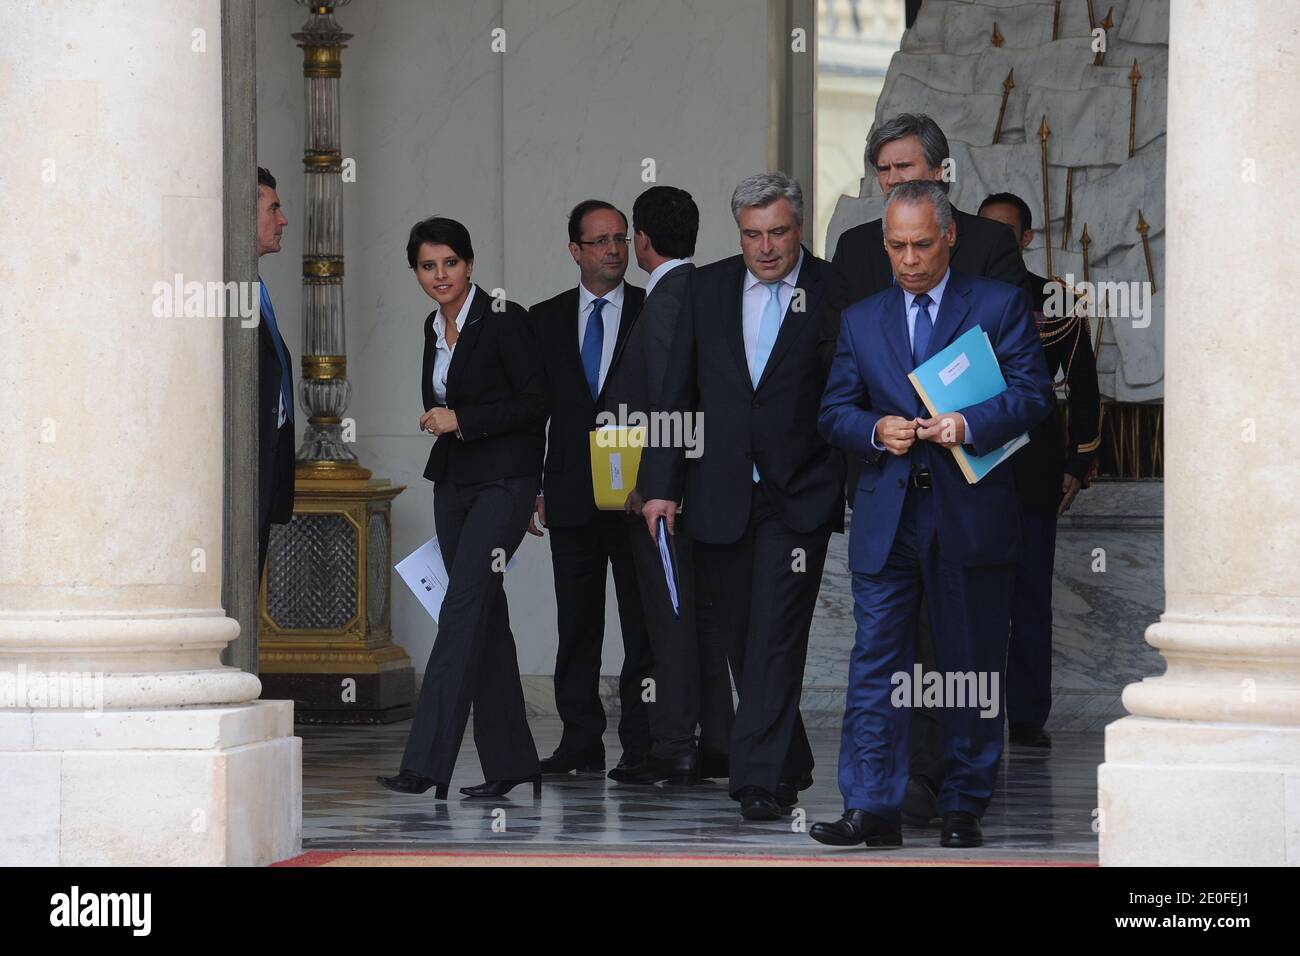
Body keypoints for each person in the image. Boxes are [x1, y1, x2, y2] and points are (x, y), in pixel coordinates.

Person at [812, 180, 1053, 849]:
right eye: (896, 246)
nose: (909, 259)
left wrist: (966, 422)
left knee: (968, 662)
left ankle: (963, 805)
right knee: (875, 663)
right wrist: (873, 429)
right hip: (888, 514)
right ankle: (871, 808)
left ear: (948, 235)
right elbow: (833, 411)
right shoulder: (863, 319)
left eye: (921, 244)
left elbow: (1035, 396)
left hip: (968, 512)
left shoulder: (999, 304)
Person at [641, 172, 845, 821]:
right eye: (753, 234)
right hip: (720, 493)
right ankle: (791, 758)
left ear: (799, 228)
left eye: (778, 232)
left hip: (799, 496)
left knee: (776, 638)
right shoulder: (707, 287)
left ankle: (756, 780)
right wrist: (659, 487)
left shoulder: (834, 290)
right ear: (739, 234)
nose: (766, 247)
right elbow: (676, 393)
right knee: (741, 639)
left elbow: (849, 393)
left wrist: (847, 480)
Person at [377, 217, 546, 800]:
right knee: (485, 619)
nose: (440, 275)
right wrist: (444, 418)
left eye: (450, 262)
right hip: (453, 483)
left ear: (470, 265)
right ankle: (512, 763)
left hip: (505, 484)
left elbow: (535, 403)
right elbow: (442, 400)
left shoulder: (505, 318)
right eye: (428, 266)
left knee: (462, 606)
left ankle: (425, 765)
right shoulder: (432, 326)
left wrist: (462, 419)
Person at [602, 186, 734, 786]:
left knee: (673, 616)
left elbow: (666, 402)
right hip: (697, 489)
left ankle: (675, 742)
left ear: (643, 241)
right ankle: (717, 741)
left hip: (666, 498)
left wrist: (653, 484)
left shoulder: (668, 298)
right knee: (701, 617)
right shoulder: (706, 290)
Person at [529, 201, 654, 781]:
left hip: (637, 499)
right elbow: (535, 415)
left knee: (642, 625)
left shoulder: (654, 311)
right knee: (577, 625)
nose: (612, 250)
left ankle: (641, 743)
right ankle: (579, 741)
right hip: (571, 494)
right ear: (574, 250)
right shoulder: (544, 319)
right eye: (599, 241)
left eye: (620, 240)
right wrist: (534, 487)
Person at [978, 191, 1101, 749]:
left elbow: (1084, 389)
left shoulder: (1053, 299)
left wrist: (1078, 462)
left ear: (1027, 239)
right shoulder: (955, 292)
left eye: (1008, 232)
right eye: (986, 230)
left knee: (1029, 599)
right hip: (967, 465)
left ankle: (1027, 714)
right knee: (970, 598)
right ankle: (970, 712)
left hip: (1033, 468)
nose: (997, 241)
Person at [256, 166, 295, 578]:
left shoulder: (258, 286)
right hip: (244, 477)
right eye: (274, 209)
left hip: (267, 474)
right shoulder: (222, 290)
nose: (282, 220)